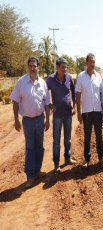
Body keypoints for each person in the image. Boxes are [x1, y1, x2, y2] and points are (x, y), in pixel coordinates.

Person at [10, 57, 50, 188]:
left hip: (40, 119)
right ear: (28, 67)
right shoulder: (21, 82)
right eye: (30, 66)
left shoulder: (43, 83)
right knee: (30, 148)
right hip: (27, 121)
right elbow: (15, 101)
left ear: (38, 67)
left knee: (40, 147)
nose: (32, 68)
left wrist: (48, 120)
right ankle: (30, 176)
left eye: (34, 66)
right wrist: (16, 120)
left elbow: (46, 103)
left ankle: (37, 171)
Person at [75, 53, 103, 166]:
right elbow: (78, 95)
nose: (92, 64)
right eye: (91, 62)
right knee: (87, 136)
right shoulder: (81, 76)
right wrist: (78, 112)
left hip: (97, 111)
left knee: (99, 135)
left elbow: (102, 94)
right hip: (87, 111)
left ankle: (101, 156)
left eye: (94, 62)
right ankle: (87, 159)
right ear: (86, 63)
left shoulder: (98, 76)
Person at [46, 57, 77, 172]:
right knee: (56, 140)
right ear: (57, 67)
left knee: (68, 139)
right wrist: (49, 104)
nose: (65, 69)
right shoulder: (50, 79)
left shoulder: (69, 78)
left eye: (66, 67)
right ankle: (56, 163)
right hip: (57, 115)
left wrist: (73, 105)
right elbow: (44, 93)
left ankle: (68, 158)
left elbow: (73, 91)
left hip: (68, 113)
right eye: (63, 67)